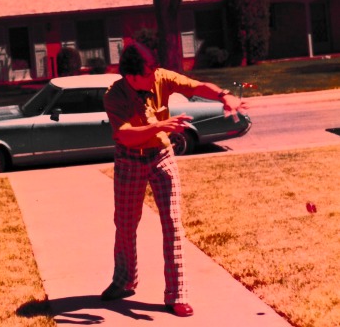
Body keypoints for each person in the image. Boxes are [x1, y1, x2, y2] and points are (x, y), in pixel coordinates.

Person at [101, 42, 248, 317]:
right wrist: (160, 126)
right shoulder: (114, 95)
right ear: (131, 76)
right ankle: (124, 281)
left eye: (155, 70)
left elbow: (195, 86)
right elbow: (124, 135)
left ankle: (177, 294)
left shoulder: (160, 77)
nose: (154, 75)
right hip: (130, 158)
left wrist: (223, 95)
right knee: (125, 223)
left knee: (172, 222)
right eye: (148, 72)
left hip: (161, 157)